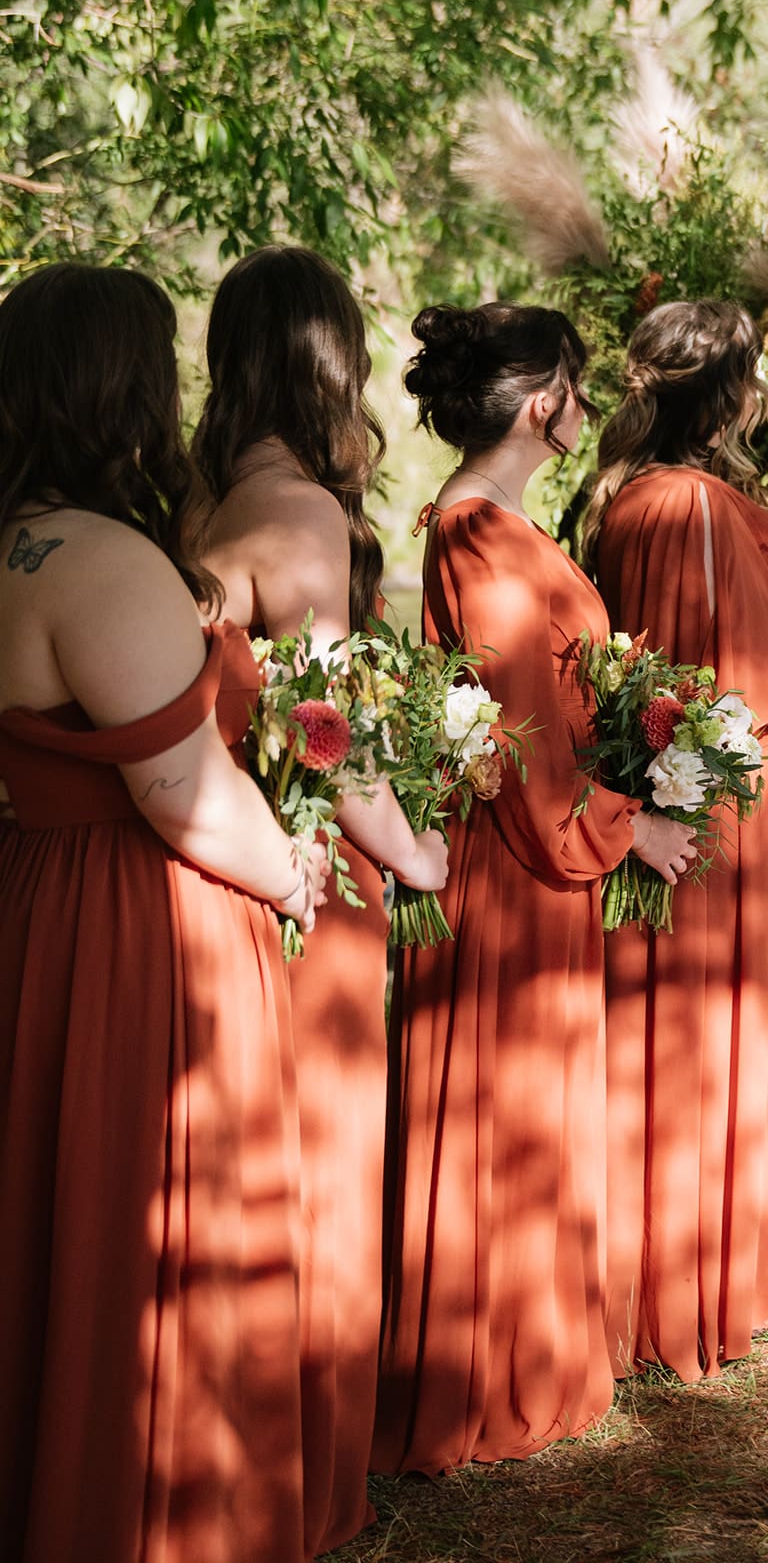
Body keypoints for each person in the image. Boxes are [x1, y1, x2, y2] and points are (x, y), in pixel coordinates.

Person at [0, 263, 327, 1563]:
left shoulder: (15, 545)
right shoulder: (103, 561)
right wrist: (292, 870)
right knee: (164, 1224)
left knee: (59, 1216)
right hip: (139, 929)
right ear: (118, 387)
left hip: (38, 911)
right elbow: (183, 792)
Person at [372, 302, 695, 1475]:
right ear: (537, 400)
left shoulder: (506, 520)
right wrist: (627, 822)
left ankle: (538, 1350)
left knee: (536, 1103)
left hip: (544, 850)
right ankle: (484, 1373)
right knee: (503, 1102)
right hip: (518, 858)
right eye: (574, 381)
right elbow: (513, 733)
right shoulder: (475, 532)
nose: (587, 403)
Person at [194, 244, 448, 1556]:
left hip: (222, 877)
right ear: (330, 364)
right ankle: (304, 1480)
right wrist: (416, 855)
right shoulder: (301, 516)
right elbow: (329, 732)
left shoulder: (199, 504)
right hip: (308, 884)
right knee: (322, 1175)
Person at [582, 298, 768, 1382]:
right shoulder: (694, 505)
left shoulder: (625, 499)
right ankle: (707, 1276)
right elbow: (743, 670)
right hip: (732, 808)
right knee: (719, 1029)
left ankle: (681, 1265)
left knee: (688, 1034)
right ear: (731, 393)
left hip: (686, 792)